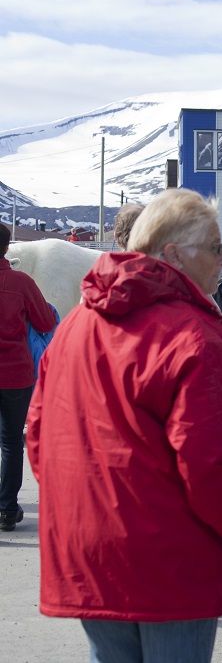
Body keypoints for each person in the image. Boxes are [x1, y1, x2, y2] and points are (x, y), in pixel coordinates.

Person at [26, 188, 222, 659]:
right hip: (169, 558)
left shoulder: (75, 326)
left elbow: (41, 439)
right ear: (173, 255)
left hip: (87, 549)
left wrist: (83, 510)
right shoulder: (193, 335)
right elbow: (213, 465)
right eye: (214, 248)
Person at [0, 224, 57, 532]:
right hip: (15, 374)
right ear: (7, 247)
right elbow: (46, 322)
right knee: (10, 442)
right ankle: (7, 508)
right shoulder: (22, 282)